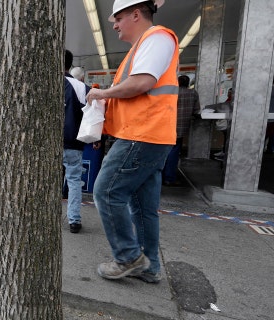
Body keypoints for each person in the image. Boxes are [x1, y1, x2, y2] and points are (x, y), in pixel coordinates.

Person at [85, 0, 178, 284]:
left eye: (118, 18)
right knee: (143, 206)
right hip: (151, 133)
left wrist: (103, 94)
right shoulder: (147, 44)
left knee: (106, 192)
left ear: (136, 14)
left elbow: (141, 83)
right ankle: (149, 266)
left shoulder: (156, 38)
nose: (114, 25)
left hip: (142, 133)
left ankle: (127, 257)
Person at [63, 50, 86, 233]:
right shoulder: (79, 87)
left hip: (46, 146)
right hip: (73, 141)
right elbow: (92, 113)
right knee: (73, 181)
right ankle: (74, 220)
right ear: (70, 65)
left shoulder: (43, 85)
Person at [162, 75, 200, 186]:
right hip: (181, 128)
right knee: (174, 152)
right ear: (188, 83)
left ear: (177, 82)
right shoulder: (193, 93)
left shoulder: (171, 92)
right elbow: (196, 110)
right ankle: (169, 178)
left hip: (167, 125)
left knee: (164, 151)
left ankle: (161, 176)